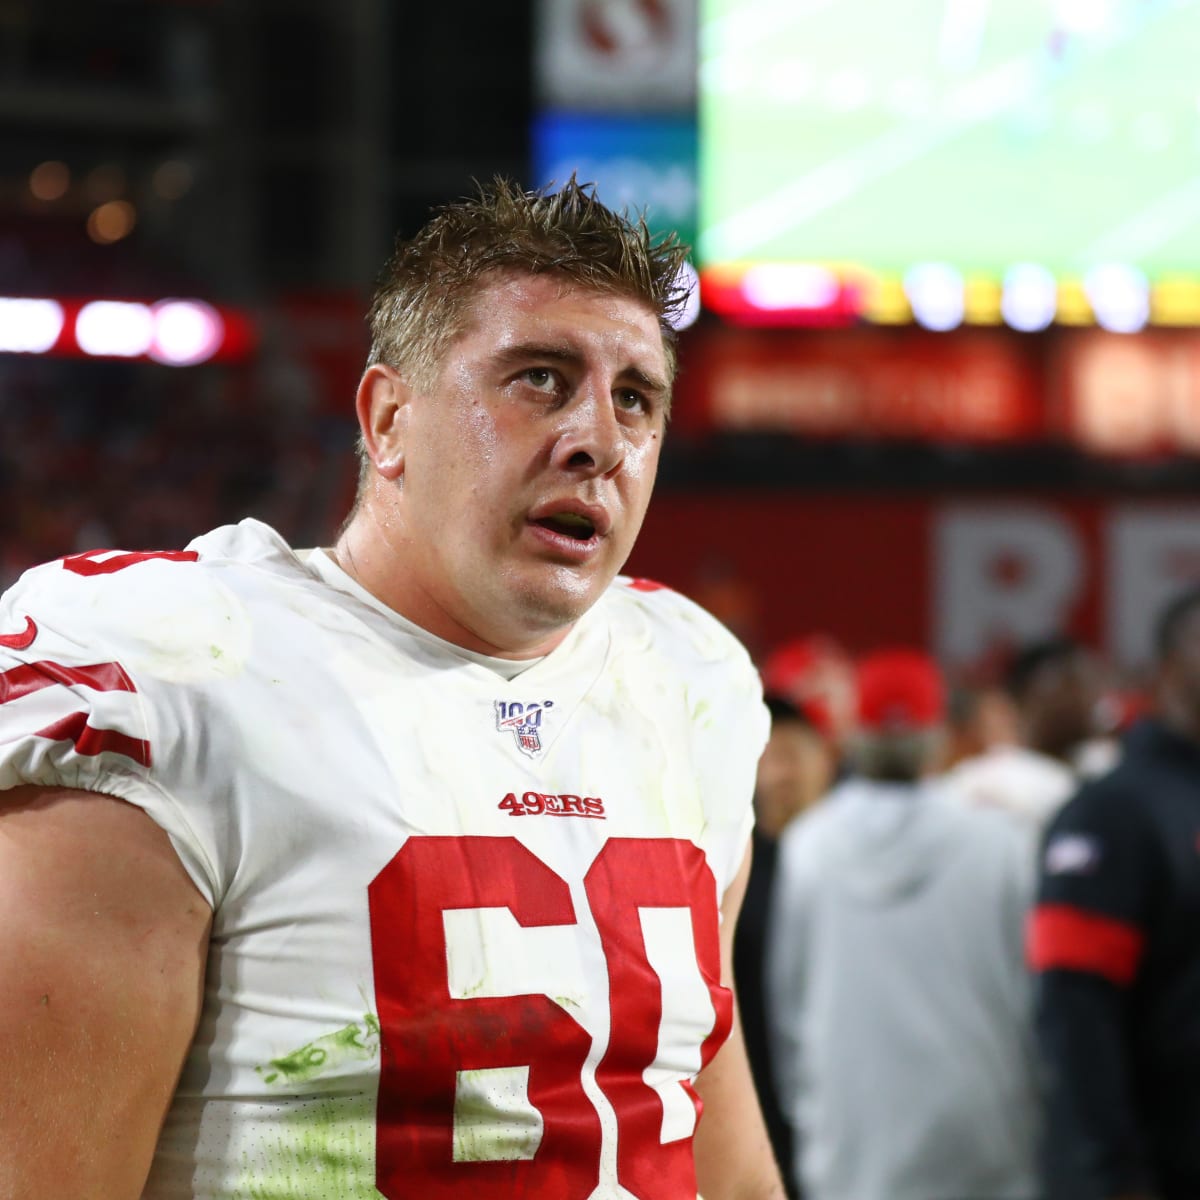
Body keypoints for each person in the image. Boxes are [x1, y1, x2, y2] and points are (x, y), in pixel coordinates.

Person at [0, 180, 786, 1199]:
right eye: (540, 379)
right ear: (388, 419)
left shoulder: (688, 679)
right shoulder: (178, 671)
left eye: (635, 396)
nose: (600, 439)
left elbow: (707, 1142)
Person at [768, 648, 1040, 1200]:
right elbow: (1036, 994)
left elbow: (787, 1008)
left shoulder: (808, 847)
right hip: (984, 1137)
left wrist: (810, 1113)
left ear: (855, 739)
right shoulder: (1004, 842)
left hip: (851, 1142)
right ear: (939, 738)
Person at [1030, 587, 1200, 1200]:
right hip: (1158, 1170)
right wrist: (1110, 1177)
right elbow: (1075, 1015)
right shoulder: (1112, 813)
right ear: (1166, 669)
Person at [734, 694, 839, 1197]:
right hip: (752, 1090)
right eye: (769, 754)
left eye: (796, 751)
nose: (782, 771)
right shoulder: (733, 867)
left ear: (828, 758)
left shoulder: (850, 867)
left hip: (841, 1091)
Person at [949, 635, 1109, 828]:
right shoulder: (991, 778)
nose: (1083, 697)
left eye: (1088, 684)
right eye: (1067, 682)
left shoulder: (1107, 767)